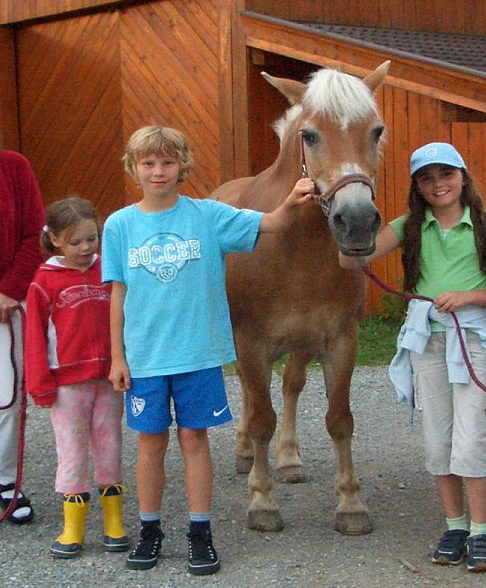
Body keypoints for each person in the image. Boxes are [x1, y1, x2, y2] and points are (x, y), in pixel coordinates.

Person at [102, 126, 314, 575]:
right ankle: (150, 530)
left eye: (166, 162)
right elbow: (117, 294)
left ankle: (201, 533)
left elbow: (270, 223)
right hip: (145, 358)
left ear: (182, 166)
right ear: (133, 167)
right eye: (148, 163)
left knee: (195, 440)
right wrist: (118, 356)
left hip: (197, 355)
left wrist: (293, 198)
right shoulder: (119, 225)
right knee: (149, 445)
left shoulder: (208, 216)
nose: (157, 171)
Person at [340, 142, 486, 572]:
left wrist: (472, 296)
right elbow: (349, 258)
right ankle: (455, 526)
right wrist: (342, 209)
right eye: (427, 178)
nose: (439, 185)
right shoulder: (410, 226)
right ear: (417, 186)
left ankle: (482, 532)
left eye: (446, 174)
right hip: (427, 343)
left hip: (472, 340)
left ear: (463, 177)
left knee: (473, 437)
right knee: (438, 439)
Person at [25, 197, 128, 558]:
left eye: (92, 239)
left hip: (107, 378)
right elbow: (34, 338)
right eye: (75, 242)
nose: (86, 248)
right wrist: (39, 384)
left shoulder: (109, 271)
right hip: (67, 384)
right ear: (54, 240)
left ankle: (113, 522)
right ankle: (74, 526)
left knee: (110, 444)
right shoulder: (44, 282)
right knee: (71, 451)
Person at [0, 150, 44, 525]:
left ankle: (5, 481)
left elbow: (34, 233)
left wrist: (11, 289)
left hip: (4, 304)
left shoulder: (14, 167)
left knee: (5, 397)